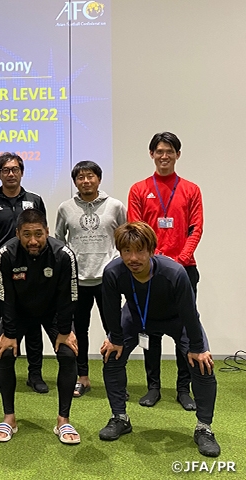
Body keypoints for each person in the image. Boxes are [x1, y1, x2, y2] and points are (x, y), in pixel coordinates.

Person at [99, 221, 219, 457]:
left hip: (177, 319)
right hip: (136, 316)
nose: (133, 258)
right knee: (112, 357)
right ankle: (120, 418)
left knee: (203, 365)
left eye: (140, 251)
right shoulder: (113, 272)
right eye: (126, 251)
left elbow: (189, 311)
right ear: (120, 251)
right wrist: (115, 338)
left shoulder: (174, 272)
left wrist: (197, 347)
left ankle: (204, 428)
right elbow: (111, 308)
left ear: (152, 250)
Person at [127, 132, 202, 411]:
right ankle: (153, 387)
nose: (164, 156)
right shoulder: (139, 189)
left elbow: (196, 229)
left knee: (185, 331)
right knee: (150, 329)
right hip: (148, 272)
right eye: (159, 151)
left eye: (170, 151)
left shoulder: (191, 189)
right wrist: (154, 262)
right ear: (151, 154)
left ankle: (183, 389)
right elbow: (135, 230)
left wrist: (179, 262)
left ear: (178, 155)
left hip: (184, 271)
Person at [0, 208, 80, 444]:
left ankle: (63, 421)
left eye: (38, 234)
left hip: (53, 312)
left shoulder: (63, 255)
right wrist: (9, 333)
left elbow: (69, 296)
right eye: (27, 234)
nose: (33, 241)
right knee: (5, 353)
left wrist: (64, 331)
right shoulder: (6, 254)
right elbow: (4, 297)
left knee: (68, 354)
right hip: (19, 312)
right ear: (17, 233)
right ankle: (9, 419)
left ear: (47, 232)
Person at [55, 161, 126, 397]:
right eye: (81, 177)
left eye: (90, 176)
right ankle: (82, 378)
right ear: (75, 182)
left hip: (108, 280)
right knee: (79, 332)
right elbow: (58, 240)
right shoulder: (65, 208)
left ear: (99, 179)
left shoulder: (115, 206)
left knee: (113, 331)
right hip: (78, 281)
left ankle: (115, 378)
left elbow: (125, 238)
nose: (86, 181)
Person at [0, 152, 47, 394]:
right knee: (2, 321)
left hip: (33, 274)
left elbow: (42, 235)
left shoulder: (35, 200)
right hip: (3, 273)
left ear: (22, 172)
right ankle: (3, 374)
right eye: (6, 170)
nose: (11, 174)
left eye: (15, 169)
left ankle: (35, 374)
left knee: (34, 323)